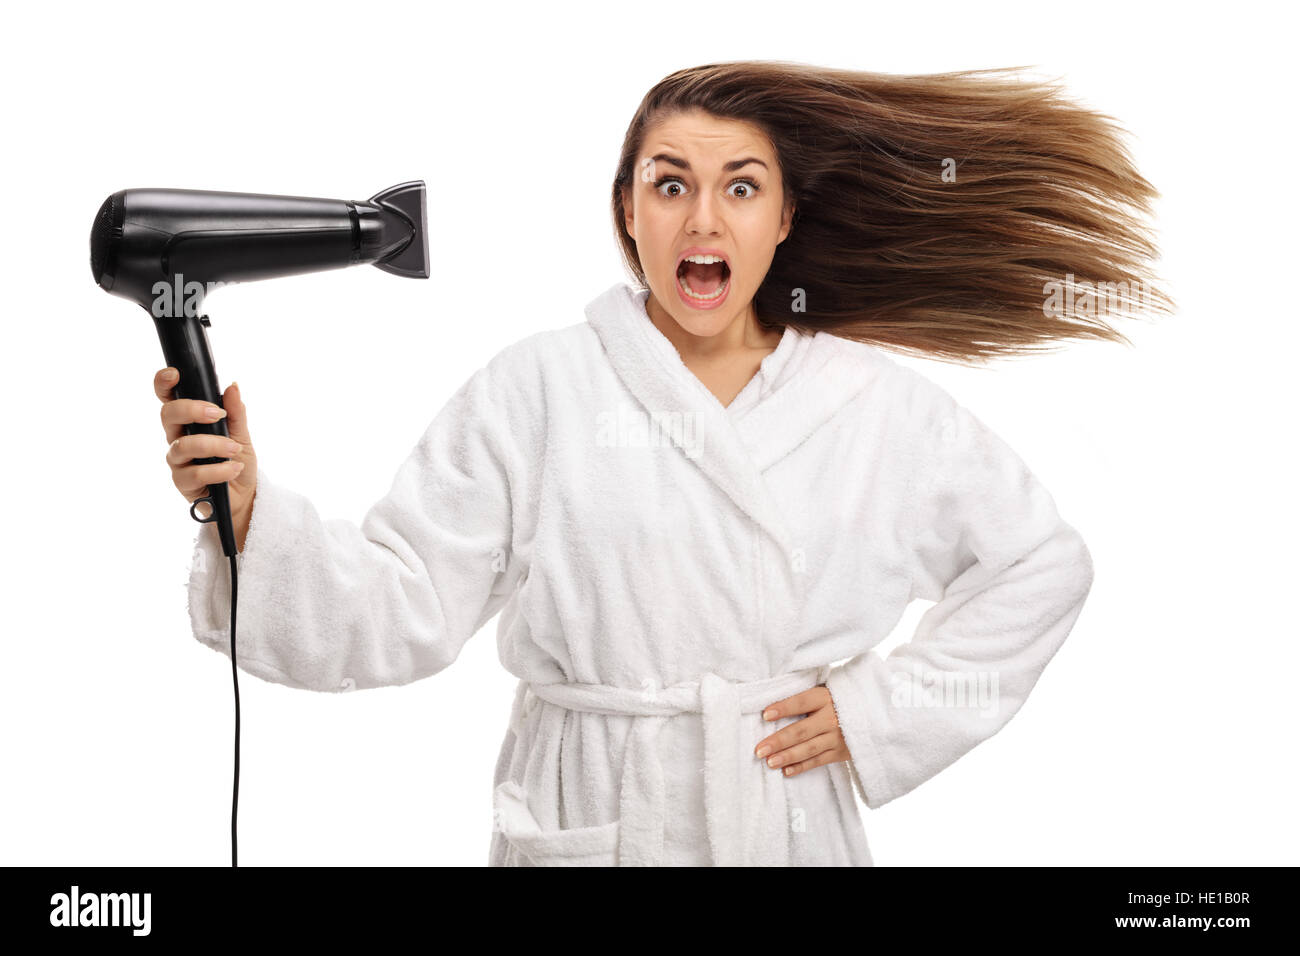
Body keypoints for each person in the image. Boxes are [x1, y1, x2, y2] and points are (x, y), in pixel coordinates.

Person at [160, 61, 1170, 866]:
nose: (702, 220)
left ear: (782, 219)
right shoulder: (540, 387)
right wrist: (250, 513)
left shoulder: (877, 406)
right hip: (595, 814)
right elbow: (400, 603)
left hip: (780, 817)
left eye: (741, 187)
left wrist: (879, 710)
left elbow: (1039, 562)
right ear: (627, 211)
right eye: (670, 184)